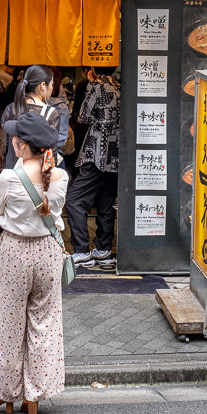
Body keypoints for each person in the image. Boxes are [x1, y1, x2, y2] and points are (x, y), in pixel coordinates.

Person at [0, 112, 68, 414]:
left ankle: (2, 395)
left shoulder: (8, 178)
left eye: (15, 137)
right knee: (44, 324)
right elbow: (54, 212)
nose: (12, 140)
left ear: (23, 145)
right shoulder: (60, 176)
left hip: (15, 252)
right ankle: (35, 397)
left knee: (7, 325)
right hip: (48, 253)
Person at [65, 67, 120, 268]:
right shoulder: (119, 85)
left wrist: (91, 83)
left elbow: (84, 117)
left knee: (74, 201)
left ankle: (81, 251)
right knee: (105, 202)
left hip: (97, 151)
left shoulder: (97, 85)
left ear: (93, 69)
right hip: (115, 152)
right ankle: (104, 251)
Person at [0, 65, 61, 169]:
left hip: (12, 171)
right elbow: (51, 152)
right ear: (42, 85)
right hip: (36, 176)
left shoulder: (10, 109)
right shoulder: (51, 113)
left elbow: (3, 144)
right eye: (51, 84)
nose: (52, 88)